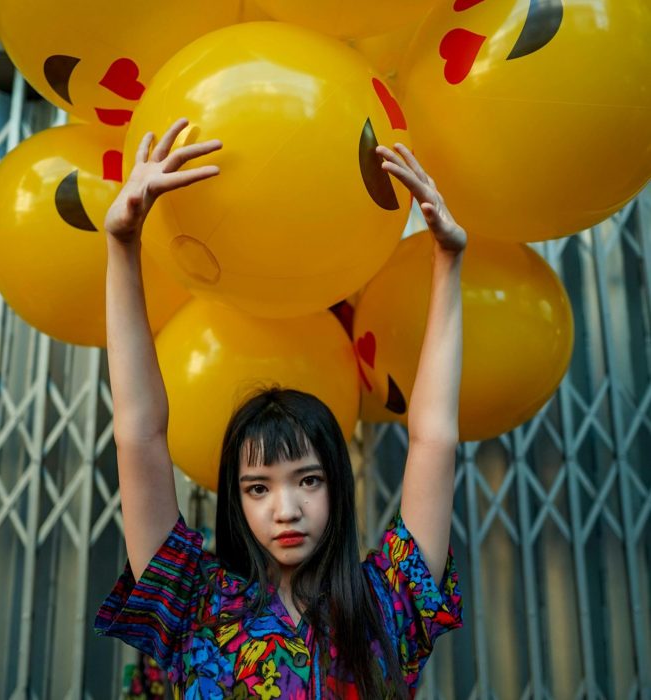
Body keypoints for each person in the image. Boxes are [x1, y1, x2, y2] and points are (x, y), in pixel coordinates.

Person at [94, 117, 466, 699]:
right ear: (236, 499)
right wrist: (122, 246)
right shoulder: (194, 604)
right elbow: (140, 434)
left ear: (337, 485)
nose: (285, 509)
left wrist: (448, 260)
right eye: (257, 487)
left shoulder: (388, 603)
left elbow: (434, 437)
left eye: (308, 480)